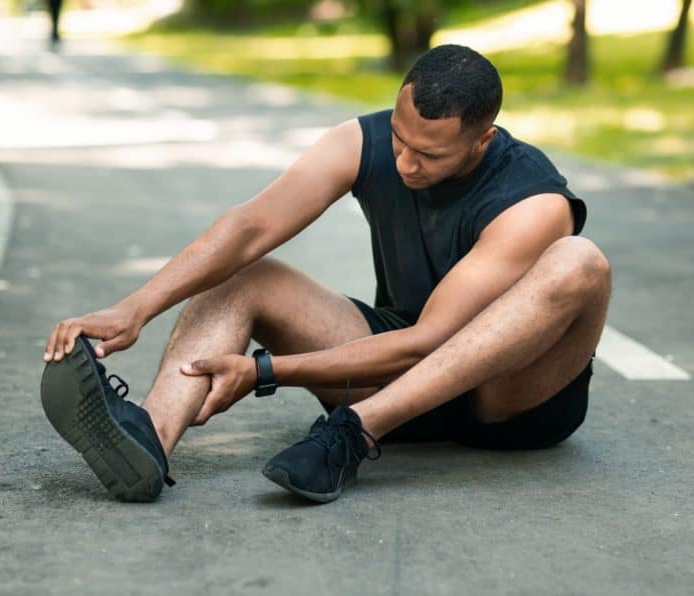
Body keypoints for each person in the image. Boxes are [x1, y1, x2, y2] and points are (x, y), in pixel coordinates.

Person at [40, 44, 611, 504]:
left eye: (430, 156)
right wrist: (135, 307)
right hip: (398, 367)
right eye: (400, 139)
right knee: (244, 273)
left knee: (581, 261)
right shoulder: (365, 140)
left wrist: (264, 371)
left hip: (507, 401)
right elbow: (250, 225)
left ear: (483, 140)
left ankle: (352, 433)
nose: (407, 164)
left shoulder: (530, 200)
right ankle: (148, 442)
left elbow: (428, 344)